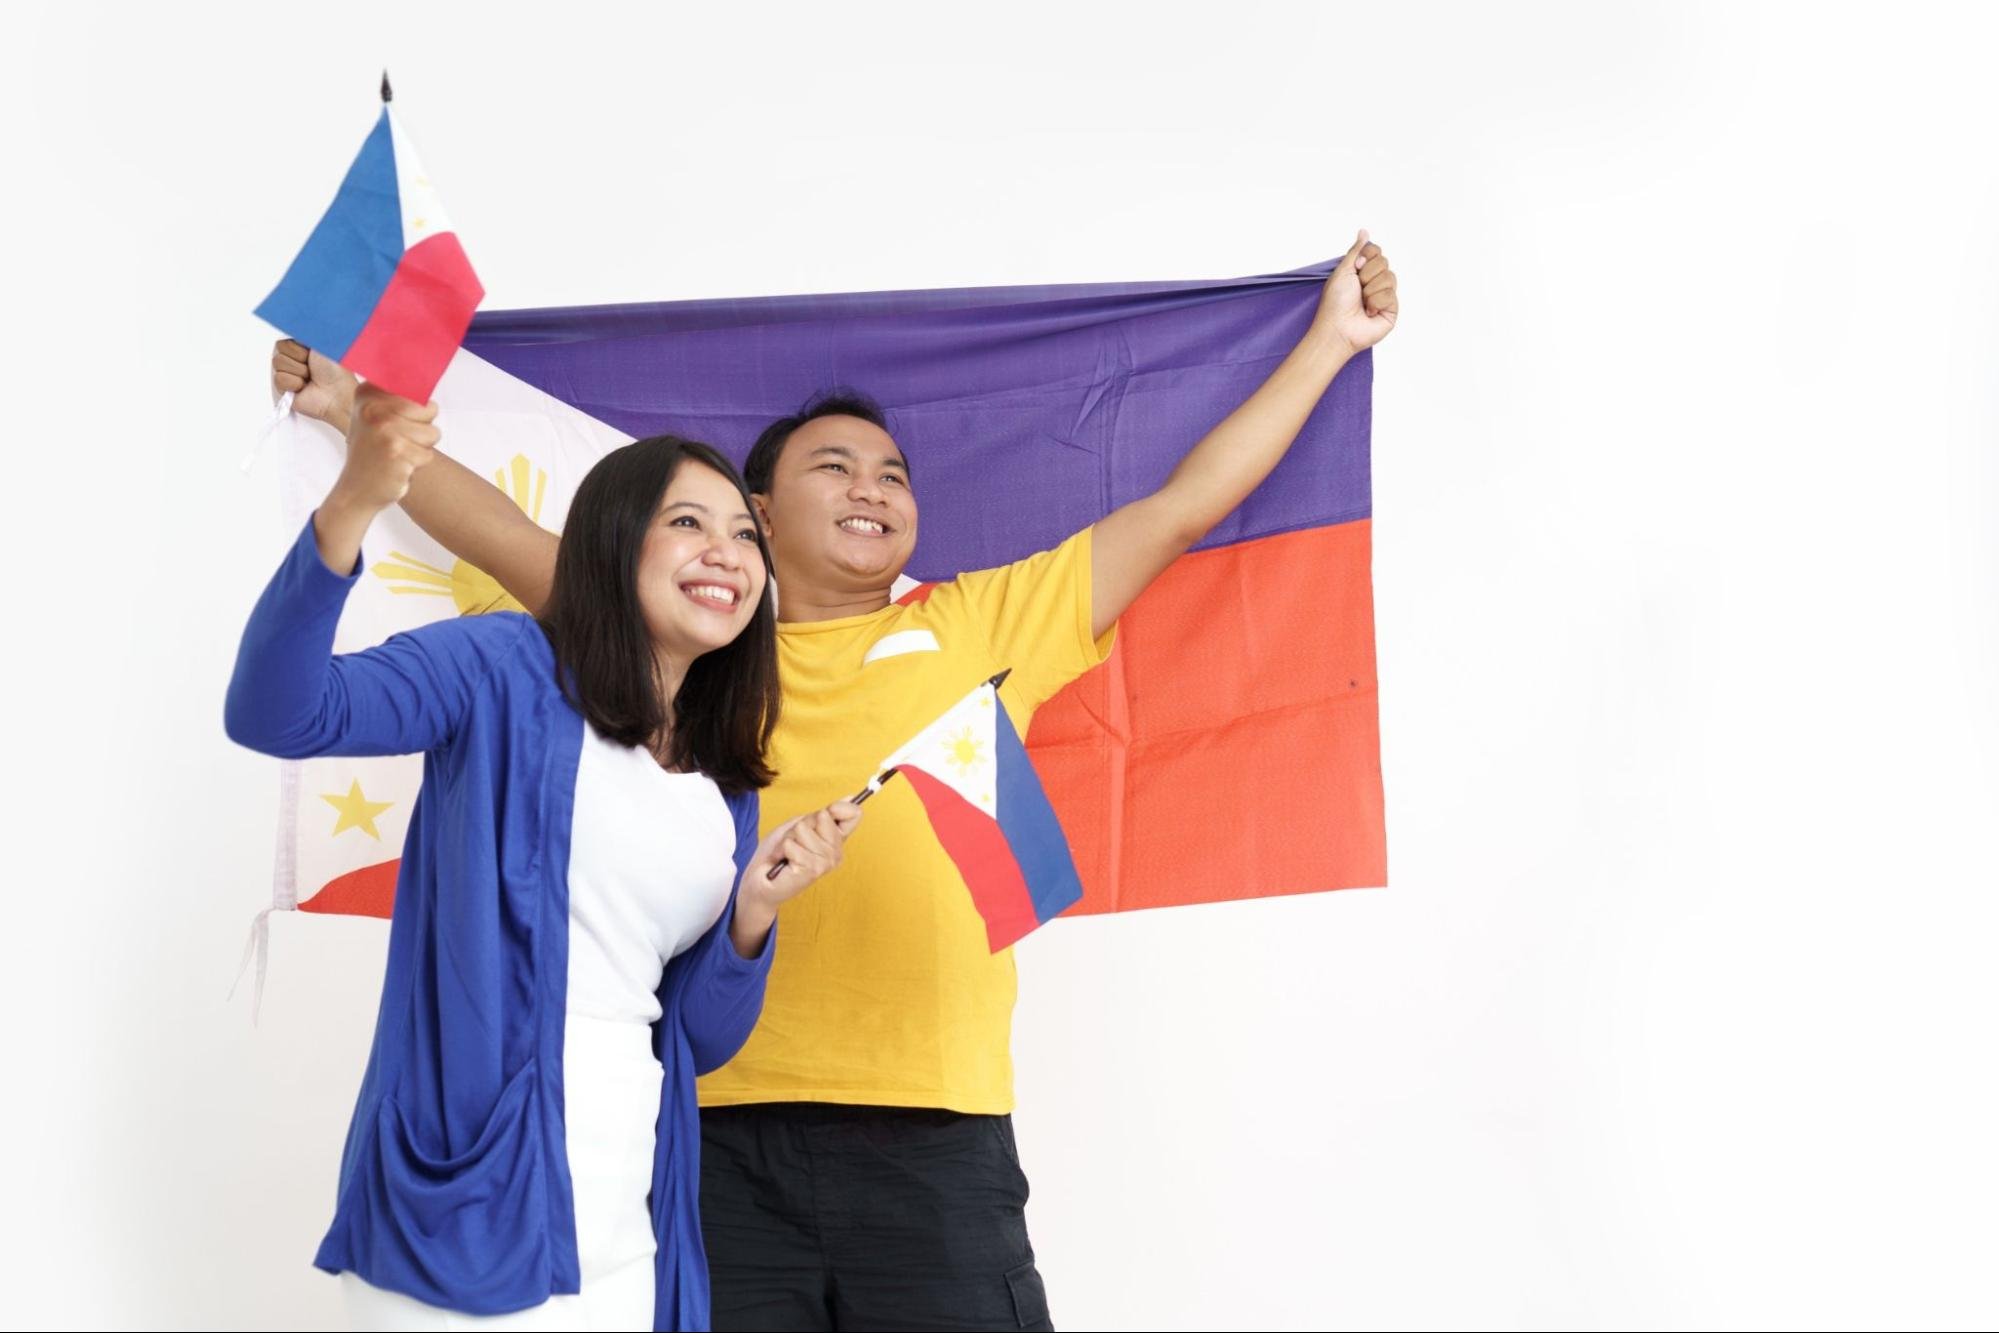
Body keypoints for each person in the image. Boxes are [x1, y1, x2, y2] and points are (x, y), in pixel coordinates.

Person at [271, 230, 1399, 1330]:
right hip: (715, 1138)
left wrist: (1328, 344)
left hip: (935, 1137)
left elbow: (1181, 507)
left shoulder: (979, 623)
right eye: (835, 465)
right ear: (755, 517)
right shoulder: (671, 642)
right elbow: (504, 528)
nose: (875, 486)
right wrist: (351, 412)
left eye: (894, 473)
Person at [225, 385, 862, 1330]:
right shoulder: (500, 667)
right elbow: (278, 712)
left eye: (742, 534)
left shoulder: (725, 785)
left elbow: (697, 1041)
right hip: (472, 1204)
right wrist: (353, 499)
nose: (725, 552)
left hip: (631, 1220)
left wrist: (752, 916)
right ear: (611, 543)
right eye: (687, 521)